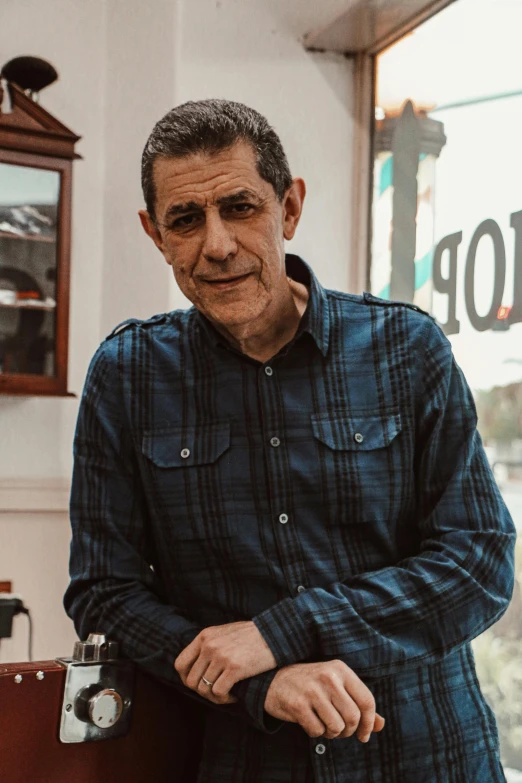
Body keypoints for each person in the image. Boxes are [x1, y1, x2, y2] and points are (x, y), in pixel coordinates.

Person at [64, 99, 516, 783]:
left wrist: (284, 630)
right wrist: (256, 684)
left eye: (240, 208)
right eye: (186, 220)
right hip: (244, 759)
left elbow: (479, 562)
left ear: (290, 207)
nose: (216, 244)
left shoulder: (407, 349)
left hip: (429, 756)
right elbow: (104, 591)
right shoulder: (126, 377)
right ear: (156, 233)